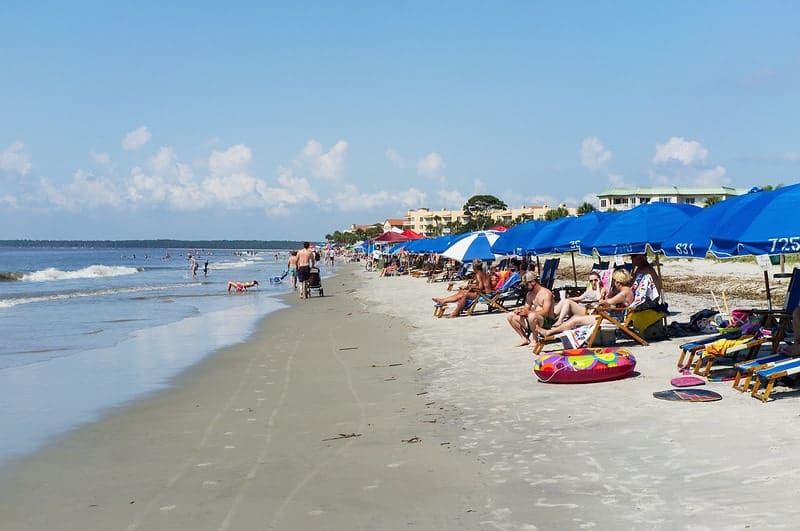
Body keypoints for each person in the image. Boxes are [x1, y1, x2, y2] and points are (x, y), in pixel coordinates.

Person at [537, 269, 634, 341]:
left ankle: (549, 332)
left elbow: (606, 302)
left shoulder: (623, 293)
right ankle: (552, 329)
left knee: (576, 319)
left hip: (614, 320)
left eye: (614, 281)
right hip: (609, 316)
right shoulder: (625, 291)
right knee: (575, 317)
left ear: (618, 281)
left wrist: (603, 299)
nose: (613, 283)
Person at [506, 271, 555, 346]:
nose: (525, 287)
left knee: (532, 316)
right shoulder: (529, 294)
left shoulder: (546, 293)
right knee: (510, 315)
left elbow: (546, 312)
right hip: (534, 319)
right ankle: (524, 338)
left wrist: (528, 312)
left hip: (547, 321)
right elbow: (526, 308)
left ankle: (535, 340)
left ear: (533, 282)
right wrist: (521, 311)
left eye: (526, 284)